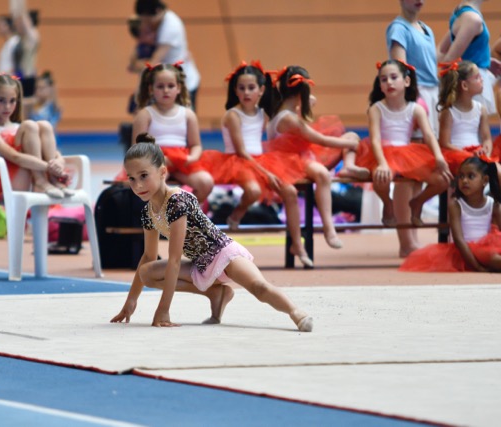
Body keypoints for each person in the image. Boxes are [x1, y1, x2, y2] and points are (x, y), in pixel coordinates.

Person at [110, 132, 314, 330]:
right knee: (147, 273)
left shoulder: (177, 201)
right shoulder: (148, 212)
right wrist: (131, 301)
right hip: (200, 264)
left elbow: (174, 260)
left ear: (163, 172)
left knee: (259, 288)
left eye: (144, 176)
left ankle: (296, 313)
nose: (138, 185)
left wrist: (163, 310)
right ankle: (216, 294)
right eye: (132, 178)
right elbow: (148, 256)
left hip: (225, 254)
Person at [200, 61, 311, 268]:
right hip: (238, 160)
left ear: (261, 90)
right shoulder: (232, 115)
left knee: (290, 192)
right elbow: (241, 151)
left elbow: (287, 111)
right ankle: (237, 213)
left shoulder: (262, 113)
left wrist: (305, 99)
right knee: (253, 191)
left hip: (260, 160)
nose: (246, 93)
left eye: (251, 88)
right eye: (241, 88)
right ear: (235, 90)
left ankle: (297, 244)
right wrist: (267, 173)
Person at [356, 59, 452, 257]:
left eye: (394, 77)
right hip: (384, 153)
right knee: (382, 177)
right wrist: (382, 163)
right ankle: (388, 203)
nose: (389, 83)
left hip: (408, 153)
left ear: (406, 81)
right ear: (380, 85)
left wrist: (438, 156)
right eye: (384, 79)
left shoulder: (415, 108)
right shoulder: (376, 108)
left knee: (443, 179)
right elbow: (375, 139)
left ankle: (418, 202)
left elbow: (428, 135)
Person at [267, 65, 367, 250]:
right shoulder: (287, 118)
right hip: (291, 164)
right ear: (301, 92)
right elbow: (320, 139)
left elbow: (310, 121)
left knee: (351, 135)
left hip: (307, 156)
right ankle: (329, 229)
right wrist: (350, 145)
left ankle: (348, 166)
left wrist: (348, 141)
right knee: (322, 173)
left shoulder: (288, 111)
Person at [0, 73, 74, 223]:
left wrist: (59, 162)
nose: (7, 107)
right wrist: (50, 167)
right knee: (29, 125)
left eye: (12, 101)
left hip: (34, 174)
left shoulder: (18, 127)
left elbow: (53, 152)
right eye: (1, 100)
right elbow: (16, 158)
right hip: (8, 183)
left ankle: (53, 181)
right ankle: (40, 181)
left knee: (45, 125)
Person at [400, 157, 501, 272]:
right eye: (461, 176)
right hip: (464, 250)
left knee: (491, 255)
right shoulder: (456, 205)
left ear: (485, 180)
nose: (464, 181)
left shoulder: (493, 205)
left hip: (488, 248)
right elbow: (458, 240)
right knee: (492, 257)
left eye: (471, 176)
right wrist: (477, 267)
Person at [132, 62, 213, 203]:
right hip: (155, 160)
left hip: (182, 161)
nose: (166, 90)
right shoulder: (145, 114)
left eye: (170, 86)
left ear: (178, 88)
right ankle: (160, 213)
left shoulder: (188, 114)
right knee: (157, 182)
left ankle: (189, 211)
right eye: (160, 86)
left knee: (206, 182)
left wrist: (191, 158)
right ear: (151, 89)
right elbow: (137, 148)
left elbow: (196, 145)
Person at [437, 0, 501, 115]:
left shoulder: (464, 11)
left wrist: (483, 61)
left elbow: (442, 51)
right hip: (470, 84)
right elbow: (448, 62)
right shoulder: (472, 19)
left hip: (470, 80)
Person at [386, 0, 440, 136]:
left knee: (435, 139)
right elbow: (400, 69)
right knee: (420, 140)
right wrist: (412, 98)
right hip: (417, 92)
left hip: (434, 92)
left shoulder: (427, 29)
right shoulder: (398, 29)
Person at [134, 0, 200, 110]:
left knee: (183, 119)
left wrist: (136, 65)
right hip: (167, 82)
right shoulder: (162, 18)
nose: (148, 24)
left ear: (158, 11)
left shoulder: (170, 28)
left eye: (149, 20)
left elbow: (152, 64)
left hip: (181, 85)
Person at [437, 59, 494, 174]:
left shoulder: (481, 109)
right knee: (470, 169)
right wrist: (467, 154)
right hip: (456, 155)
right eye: (477, 77)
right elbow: (444, 143)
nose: (482, 79)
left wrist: (486, 151)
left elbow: (487, 138)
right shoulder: (449, 112)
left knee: (495, 170)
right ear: (464, 85)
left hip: (476, 153)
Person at [127, 15, 157, 115]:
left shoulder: (159, 45)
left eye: (151, 32)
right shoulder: (140, 48)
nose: (152, 35)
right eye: (147, 33)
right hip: (144, 88)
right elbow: (132, 66)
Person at [11, 0, 40, 98]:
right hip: (19, 75)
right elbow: (16, 16)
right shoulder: (21, 38)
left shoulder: (33, 36)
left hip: (28, 76)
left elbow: (22, 16)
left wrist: (20, 3)